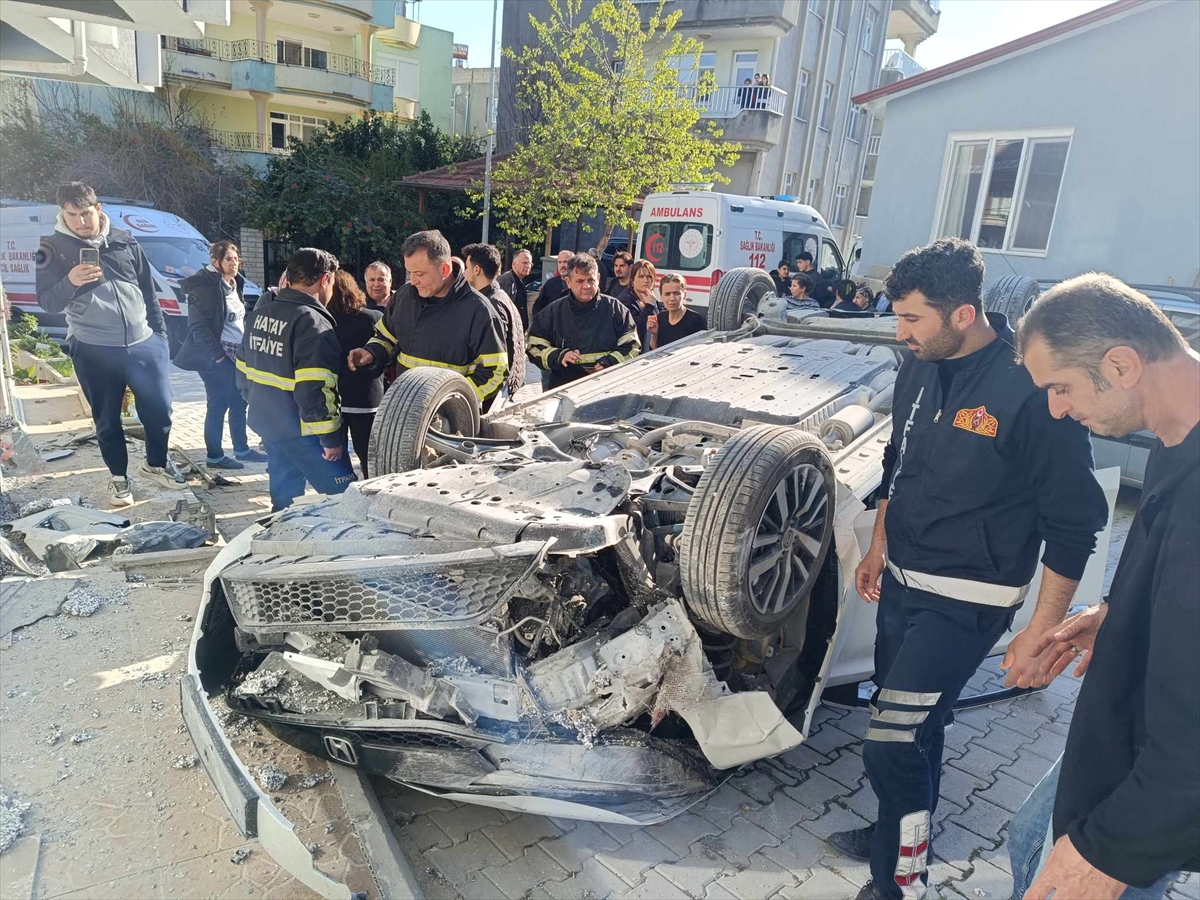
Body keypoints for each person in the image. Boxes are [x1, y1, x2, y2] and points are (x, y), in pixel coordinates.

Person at [827, 239, 1108, 900]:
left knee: (890, 741)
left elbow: (1077, 520)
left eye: (913, 319)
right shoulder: (918, 364)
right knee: (918, 732)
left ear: (963, 314)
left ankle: (898, 882)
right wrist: (879, 545)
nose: (901, 333)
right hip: (902, 584)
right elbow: (899, 458)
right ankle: (900, 837)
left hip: (969, 601)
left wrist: (1041, 627)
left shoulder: (1033, 387)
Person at [1006, 274, 1199, 900]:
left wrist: (1106, 856)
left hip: (1159, 792)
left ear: (1120, 364)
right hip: (1125, 737)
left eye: (1059, 388)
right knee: (1027, 837)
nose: (1056, 409)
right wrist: (1117, 613)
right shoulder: (1179, 437)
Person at [35, 181, 185, 506]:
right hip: (93, 349)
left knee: (160, 411)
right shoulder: (52, 247)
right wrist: (69, 281)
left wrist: (160, 339)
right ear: (63, 214)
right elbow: (46, 301)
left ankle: (154, 465)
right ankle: (119, 479)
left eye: (85, 213)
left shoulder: (124, 240)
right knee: (107, 420)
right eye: (71, 215)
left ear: (98, 208)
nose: (80, 222)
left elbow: (149, 291)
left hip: (143, 344)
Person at [237, 248, 354, 511]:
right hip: (306, 434)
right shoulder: (312, 322)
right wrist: (331, 439)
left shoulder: (259, 314)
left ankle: (279, 545)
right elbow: (315, 387)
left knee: (284, 501)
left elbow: (242, 372)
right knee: (346, 498)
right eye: (332, 283)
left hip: (270, 426)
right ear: (325, 279)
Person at [348, 230, 507, 410]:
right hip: (402, 409)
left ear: (445, 269)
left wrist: (455, 403)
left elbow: (496, 372)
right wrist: (371, 352)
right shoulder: (404, 296)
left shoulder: (480, 311)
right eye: (410, 273)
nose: (413, 281)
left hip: (448, 423)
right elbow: (386, 337)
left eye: (420, 274)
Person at [174, 240, 267, 470]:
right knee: (218, 404)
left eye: (237, 259)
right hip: (214, 357)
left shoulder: (235, 283)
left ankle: (242, 449)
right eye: (229, 259)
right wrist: (218, 358)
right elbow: (198, 326)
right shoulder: (204, 287)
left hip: (236, 354)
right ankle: (214, 456)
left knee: (238, 402)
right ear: (215, 261)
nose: (234, 263)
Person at [527, 253, 639, 389]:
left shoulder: (616, 310)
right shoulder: (552, 312)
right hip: (564, 389)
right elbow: (534, 347)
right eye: (580, 281)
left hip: (606, 390)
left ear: (598, 278)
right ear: (568, 282)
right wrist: (559, 356)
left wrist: (609, 362)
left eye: (591, 280)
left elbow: (632, 347)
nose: (586, 286)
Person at [328, 269, 383, 478]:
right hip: (367, 399)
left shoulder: (323, 322)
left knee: (336, 458)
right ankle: (372, 493)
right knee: (369, 456)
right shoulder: (374, 317)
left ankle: (343, 495)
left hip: (335, 399)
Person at [462, 242, 527, 402]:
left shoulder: (490, 305)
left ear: (476, 270)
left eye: (466, 268)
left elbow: (496, 362)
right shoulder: (499, 296)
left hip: (495, 393)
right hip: (505, 388)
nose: (463, 273)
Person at [645, 274, 705, 350]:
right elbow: (654, 352)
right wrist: (654, 335)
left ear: (685, 295)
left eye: (676, 293)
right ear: (661, 296)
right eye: (667, 294)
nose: (672, 298)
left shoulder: (696, 321)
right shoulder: (660, 318)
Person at [618, 259, 658, 346]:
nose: (646, 280)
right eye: (641, 276)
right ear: (632, 280)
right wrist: (649, 306)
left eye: (649, 276)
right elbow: (634, 330)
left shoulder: (651, 297)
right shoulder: (625, 300)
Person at [497, 248, 533, 332]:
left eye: (530, 263)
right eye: (525, 263)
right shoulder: (504, 281)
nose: (528, 266)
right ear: (514, 264)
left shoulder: (520, 282)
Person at [531, 250, 573, 320]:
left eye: (565, 262)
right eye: (560, 262)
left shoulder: (578, 284)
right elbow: (537, 307)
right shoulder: (550, 284)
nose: (562, 265)